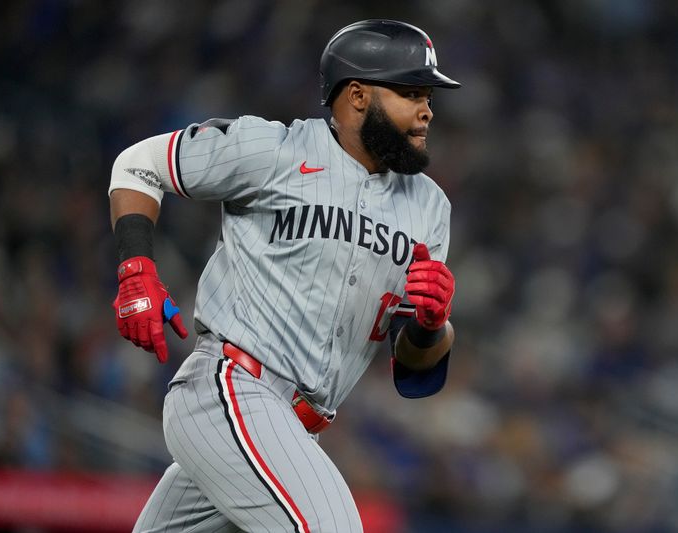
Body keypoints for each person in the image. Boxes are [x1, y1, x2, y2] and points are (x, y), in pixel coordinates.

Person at [109, 19, 459, 533]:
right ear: (357, 96)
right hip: (228, 389)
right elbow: (138, 165)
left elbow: (412, 369)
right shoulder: (273, 149)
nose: (427, 108)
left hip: (293, 428)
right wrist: (136, 267)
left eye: (427, 93)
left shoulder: (429, 207)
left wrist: (432, 325)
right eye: (411, 92)